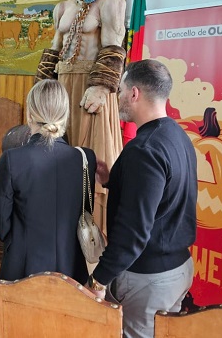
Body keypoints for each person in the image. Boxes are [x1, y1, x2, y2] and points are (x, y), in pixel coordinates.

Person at [86, 59, 197, 338]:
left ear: (134, 93)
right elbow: (163, 196)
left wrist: (98, 281)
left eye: (121, 90)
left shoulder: (144, 148)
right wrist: (113, 179)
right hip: (178, 267)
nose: (119, 97)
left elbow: (133, 231)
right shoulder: (176, 135)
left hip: (150, 279)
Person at [35, 0, 127, 232]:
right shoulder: (62, 7)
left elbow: (113, 46)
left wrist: (101, 87)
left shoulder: (111, 3)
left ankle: (93, 225)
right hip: (62, 86)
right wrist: (40, 88)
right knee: (55, 147)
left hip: (90, 87)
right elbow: (54, 47)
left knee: (89, 155)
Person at [0, 79, 95, 285]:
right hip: (72, 265)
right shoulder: (85, 158)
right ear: (65, 115)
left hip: (24, 265)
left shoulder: (12, 159)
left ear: (30, 114)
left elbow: (2, 225)